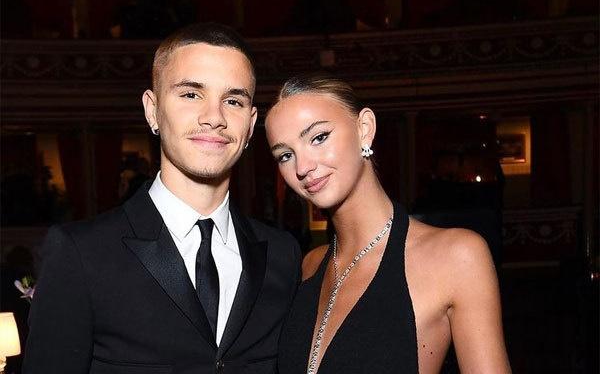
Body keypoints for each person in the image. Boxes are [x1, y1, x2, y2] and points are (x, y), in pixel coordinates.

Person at [23, 23, 302, 374]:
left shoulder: (282, 254)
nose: (214, 117)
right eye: (191, 94)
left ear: (249, 124)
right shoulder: (80, 253)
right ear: (152, 110)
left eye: (233, 101)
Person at [265, 74, 511, 374]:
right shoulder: (309, 266)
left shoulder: (457, 256)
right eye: (285, 155)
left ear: (364, 129)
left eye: (319, 138)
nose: (303, 167)